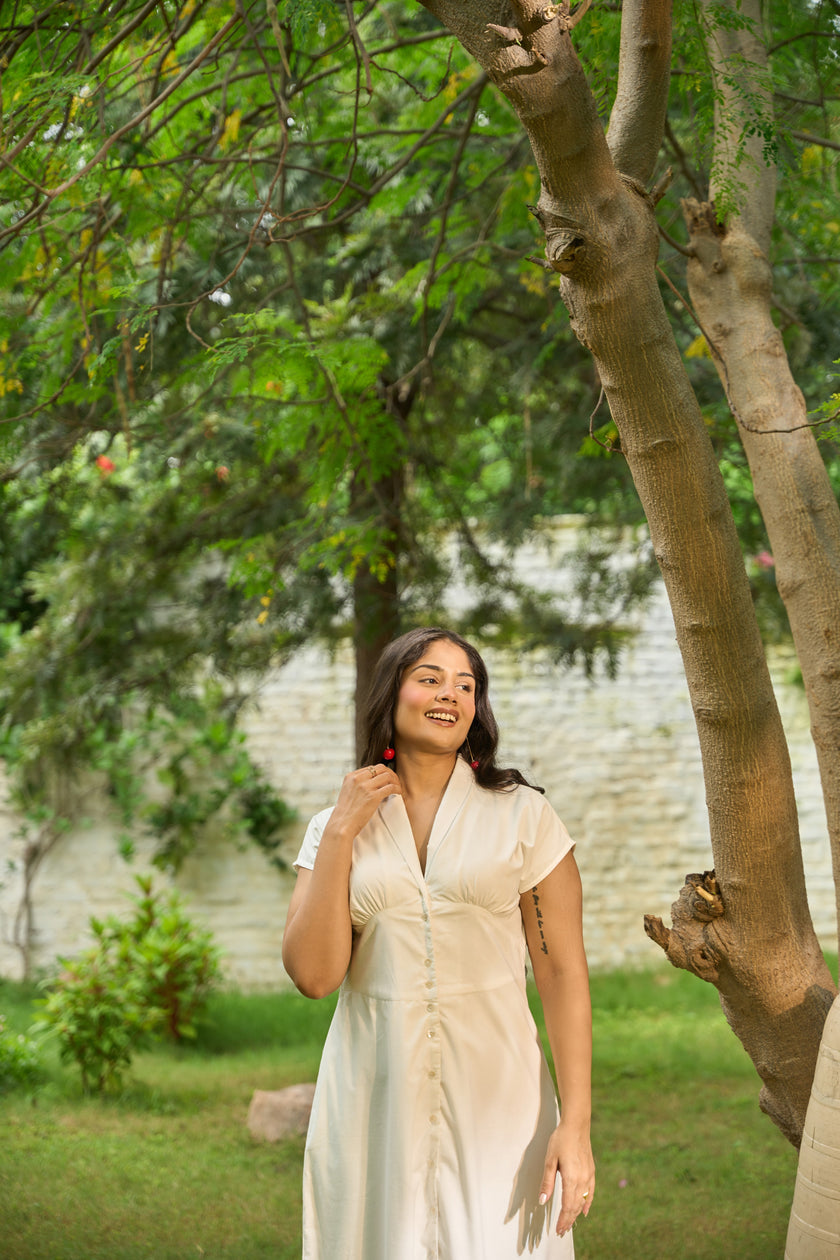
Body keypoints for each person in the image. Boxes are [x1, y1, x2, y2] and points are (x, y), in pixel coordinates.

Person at [282, 627, 595, 1259]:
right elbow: (315, 977)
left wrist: (577, 1125)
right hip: (374, 1101)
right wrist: (342, 832)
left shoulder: (522, 815)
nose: (450, 693)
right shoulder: (334, 826)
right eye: (430, 678)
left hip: (501, 1100)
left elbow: (562, 974)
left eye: (466, 684)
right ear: (391, 695)